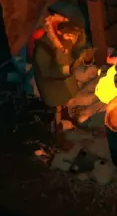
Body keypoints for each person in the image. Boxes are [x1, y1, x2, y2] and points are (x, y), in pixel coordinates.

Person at [30, 10, 92, 147]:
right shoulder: (43, 48)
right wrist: (65, 64)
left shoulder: (68, 43)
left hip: (65, 85)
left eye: (74, 35)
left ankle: (67, 121)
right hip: (53, 88)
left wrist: (82, 56)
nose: (72, 38)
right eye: (69, 35)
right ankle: (58, 135)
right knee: (56, 110)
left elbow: (77, 51)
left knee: (65, 104)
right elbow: (47, 71)